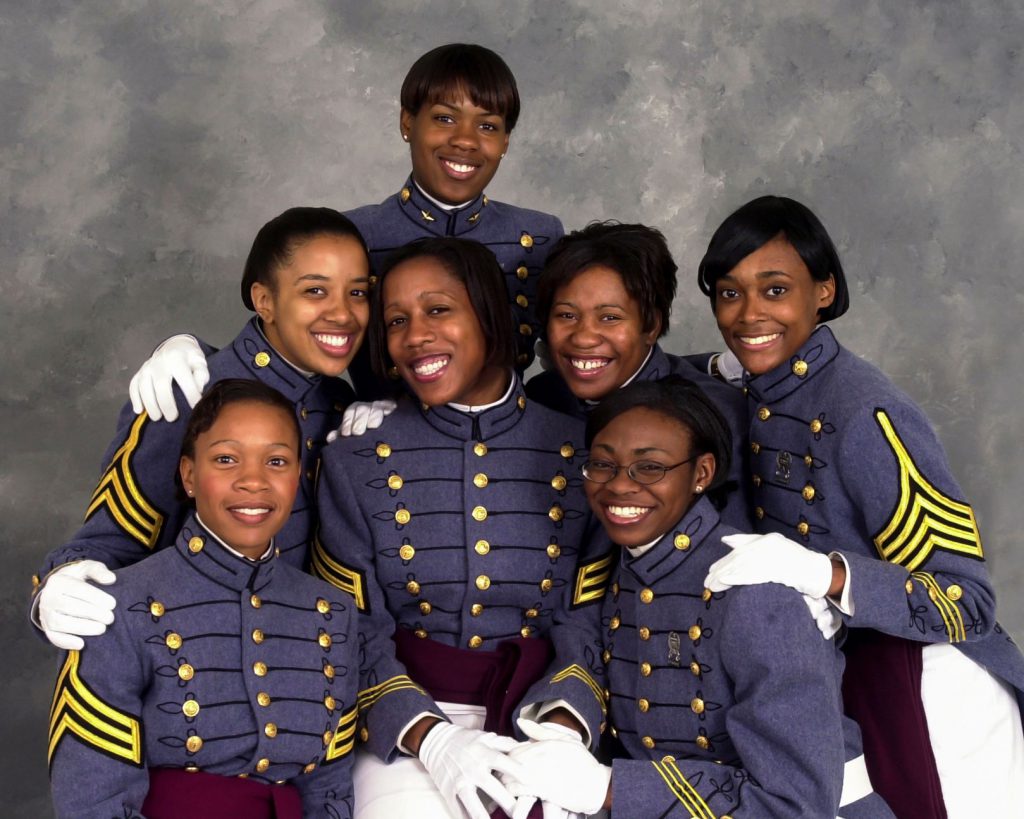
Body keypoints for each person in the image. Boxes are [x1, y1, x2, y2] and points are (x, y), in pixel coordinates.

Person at [697, 194, 1024, 817]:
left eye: (774, 290)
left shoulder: (867, 413)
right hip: (826, 683)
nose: (747, 315)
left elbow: (967, 605)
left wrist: (827, 576)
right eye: (729, 293)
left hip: (925, 690)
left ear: (823, 291)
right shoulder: (746, 385)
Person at [504, 377, 893, 818]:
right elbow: (585, 644)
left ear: (702, 473)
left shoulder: (757, 592)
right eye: (602, 465)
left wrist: (611, 788)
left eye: (649, 468)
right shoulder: (626, 565)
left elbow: (796, 803)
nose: (619, 486)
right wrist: (562, 729)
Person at [312, 237, 604, 819]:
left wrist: (565, 729)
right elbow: (350, 628)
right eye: (397, 320)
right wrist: (432, 737)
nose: (415, 335)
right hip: (405, 731)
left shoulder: (585, 454)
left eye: (438, 309)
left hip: (544, 720)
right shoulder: (354, 459)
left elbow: (590, 618)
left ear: (491, 315)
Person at [125, 43, 563, 418]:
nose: (465, 140)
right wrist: (191, 349)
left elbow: (580, 354)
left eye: (488, 126)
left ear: (506, 142)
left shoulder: (539, 236)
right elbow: (284, 331)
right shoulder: (354, 233)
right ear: (407, 123)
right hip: (370, 444)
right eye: (445, 118)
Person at [32, 207, 369, 650]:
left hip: (306, 670)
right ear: (264, 300)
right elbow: (113, 541)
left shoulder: (339, 404)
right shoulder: (188, 392)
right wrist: (55, 587)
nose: (342, 314)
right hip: (197, 668)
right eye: (315, 291)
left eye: (358, 293)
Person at [48, 380, 364, 818]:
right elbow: (93, 802)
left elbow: (329, 791)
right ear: (189, 475)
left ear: (297, 477)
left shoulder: (333, 614)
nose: (253, 481)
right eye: (226, 459)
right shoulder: (119, 608)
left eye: (276, 460)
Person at [525, 221, 753, 530]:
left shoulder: (717, 413)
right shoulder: (543, 397)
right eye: (567, 315)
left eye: (610, 318)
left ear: (651, 326)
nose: (583, 338)